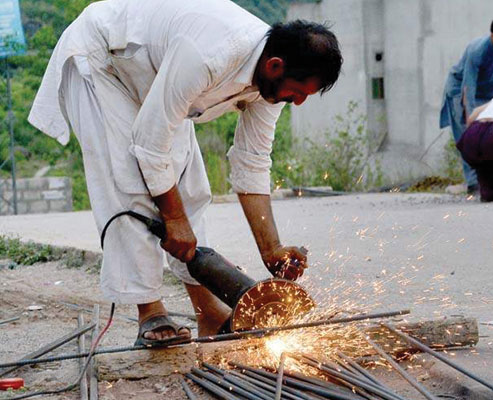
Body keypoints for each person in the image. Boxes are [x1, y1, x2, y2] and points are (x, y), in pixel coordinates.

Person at [28, 0, 342, 346]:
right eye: (297, 93)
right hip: (103, 61)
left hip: (153, 76)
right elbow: (149, 144)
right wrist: (173, 217)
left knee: (189, 190)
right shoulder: (210, 54)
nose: (297, 102)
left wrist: (271, 249)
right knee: (130, 184)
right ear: (275, 65)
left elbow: (252, 160)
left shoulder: (270, 83)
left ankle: (207, 312)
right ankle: (150, 310)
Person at [440, 14, 493, 194]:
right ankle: (473, 183)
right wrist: (471, 118)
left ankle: (489, 179)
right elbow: (468, 88)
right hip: (460, 90)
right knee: (467, 132)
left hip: (486, 94)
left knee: (489, 133)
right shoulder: (477, 50)